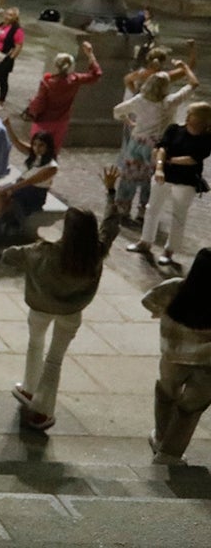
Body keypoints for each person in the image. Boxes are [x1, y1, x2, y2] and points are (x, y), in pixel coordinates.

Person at [2, 168, 119, 432]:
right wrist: (110, 191)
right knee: (54, 360)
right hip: (71, 312)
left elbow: (10, 255)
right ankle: (43, 411)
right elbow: (111, 224)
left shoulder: (45, 253)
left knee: (35, 344)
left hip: (41, 307)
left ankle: (29, 389)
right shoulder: (96, 251)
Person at [142, 248, 211, 465]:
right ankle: (170, 455)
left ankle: (160, 437)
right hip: (207, 363)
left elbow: (148, 301)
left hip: (172, 354)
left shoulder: (175, 287)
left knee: (166, 393)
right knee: (190, 409)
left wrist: (161, 313)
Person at [126, 102, 211, 270]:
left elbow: (194, 158)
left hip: (186, 180)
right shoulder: (174, 129)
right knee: (152, 209)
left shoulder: (206, 138)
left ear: (201, 119)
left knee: (178, 216)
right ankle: (145, 241)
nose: (187, 117)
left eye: (191, 114)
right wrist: (159, 167)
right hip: (164, 176)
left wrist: (169, 160)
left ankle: (169, 250)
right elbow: (162, 147)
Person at [113, 60, 199, 221]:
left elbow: (117, 111)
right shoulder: (169, 102)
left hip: (136, 141)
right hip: (155, 145)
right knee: (150, 179)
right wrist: (186, 67)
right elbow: (193, 84)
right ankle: (144, 212)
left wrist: (129, 121)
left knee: (128, 177)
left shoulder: (139, 99)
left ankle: (122, 208)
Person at [0, 126, 59, 252]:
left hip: (34, 194)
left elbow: (30, 181)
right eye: (35, 144)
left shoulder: (52, 167)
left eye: (41, 145)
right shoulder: (34, 156)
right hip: (23, 189)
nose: (37, 148)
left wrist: (11, 188)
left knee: (1, 196)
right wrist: (9, 126)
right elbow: (16, 143)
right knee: (0, 197)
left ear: (48, 146)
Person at [24, 41, 102, 150]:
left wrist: (31, 105)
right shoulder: (75, 80)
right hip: (61, 122)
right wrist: (90, 54)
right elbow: (96, 74)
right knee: (53, 152)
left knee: (36, 152)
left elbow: (39, 105)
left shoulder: (47, 83)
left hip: (43, 122)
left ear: (56, 65)